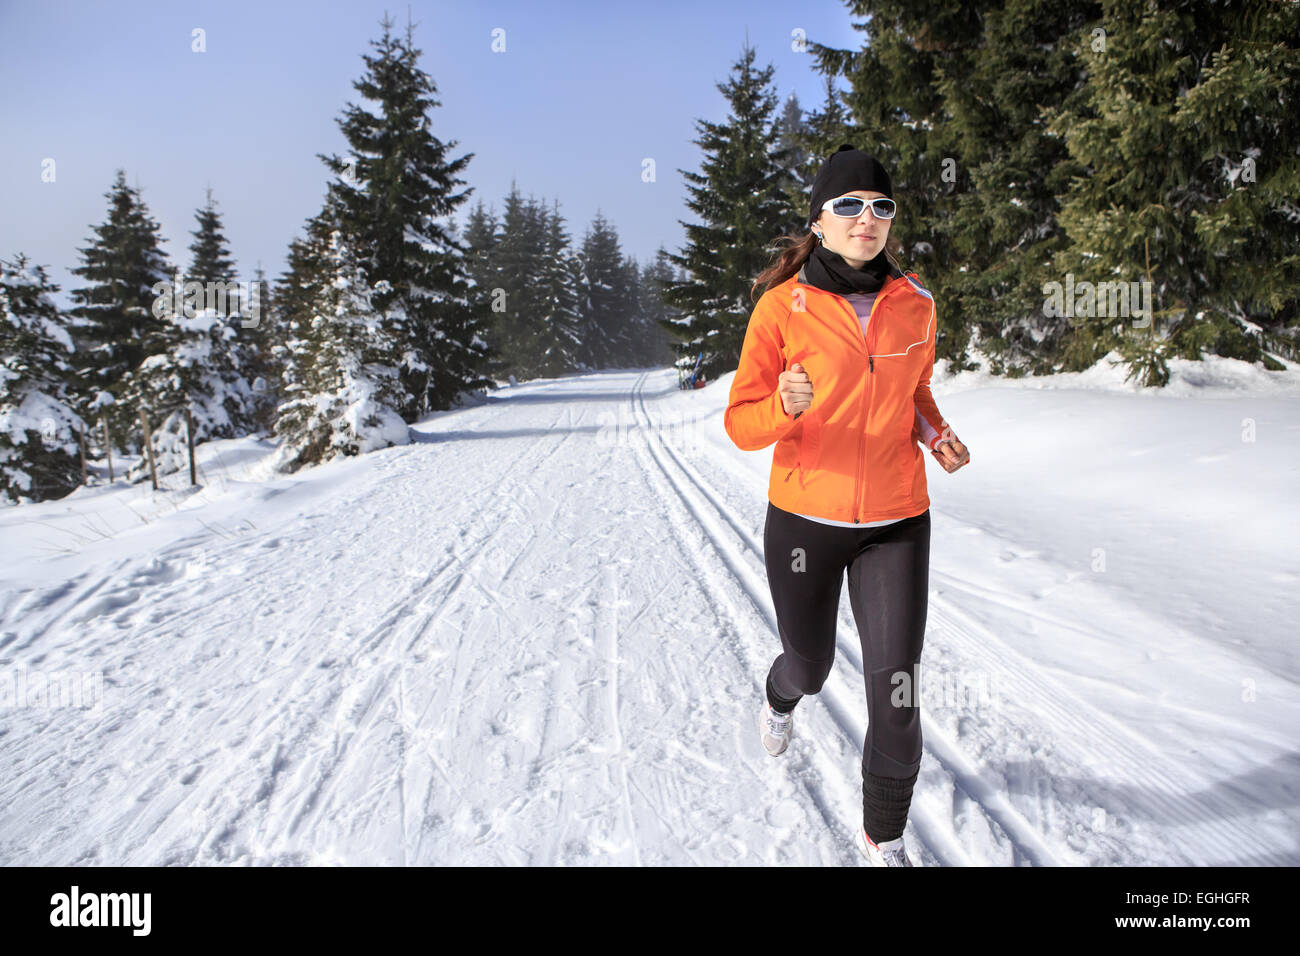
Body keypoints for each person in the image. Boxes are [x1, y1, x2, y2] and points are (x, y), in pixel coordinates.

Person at [723, 144, 970, 867]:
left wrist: (939, 434)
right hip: (805, 521)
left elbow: (914, 396)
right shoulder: (782, 307)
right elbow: (741, 420)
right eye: (850, 206)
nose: (869, 219)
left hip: (896, 523)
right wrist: (782, 406)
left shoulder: (916, 303)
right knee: (812, 666)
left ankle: (882, 842)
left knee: (897, 700)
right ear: (821, 221)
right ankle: (778, 697)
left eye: (882, 206)